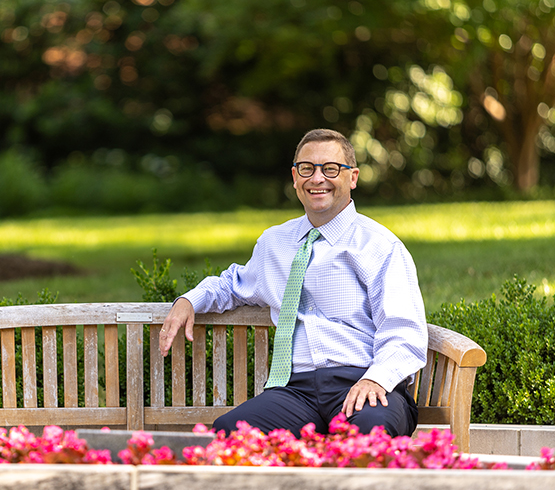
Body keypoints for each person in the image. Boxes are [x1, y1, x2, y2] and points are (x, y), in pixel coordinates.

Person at [158, 128, 427, 438]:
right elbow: (232, 284)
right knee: (230, 433)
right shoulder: (275, 243)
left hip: (363, 383)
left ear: (352, 177)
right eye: (307, 168)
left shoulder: (378, 246)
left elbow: (404, 330)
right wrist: (188, 301)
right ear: (294, 176)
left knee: (371, 433)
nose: (317, 178)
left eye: (330, 169)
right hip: (296, 392)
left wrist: (376, 379)